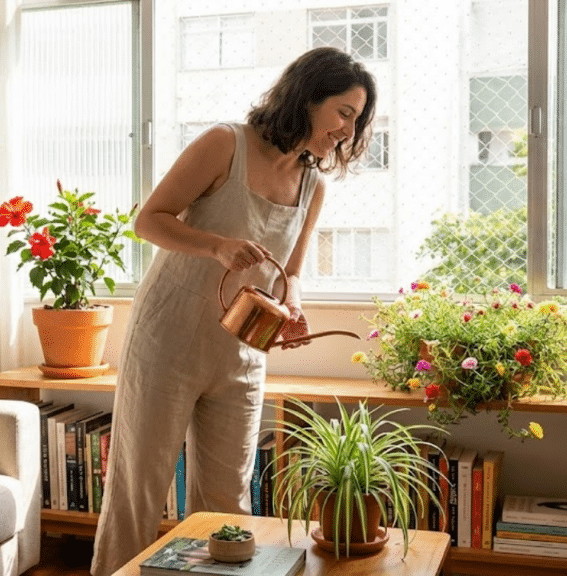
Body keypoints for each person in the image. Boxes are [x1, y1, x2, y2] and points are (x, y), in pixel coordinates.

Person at [90, 46, 377, 576]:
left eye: (356, 120)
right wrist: (217, 246)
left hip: (243, 353)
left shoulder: (312, 185)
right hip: (167, 340)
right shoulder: (225, 143)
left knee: (226, 501)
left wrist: (292, 306)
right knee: (139, 489)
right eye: (343, 112)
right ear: (308, 98)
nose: (348, 131)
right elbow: (149, 220)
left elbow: (290, 271)